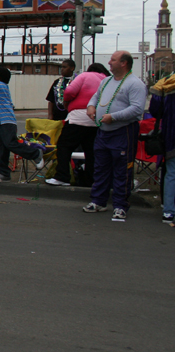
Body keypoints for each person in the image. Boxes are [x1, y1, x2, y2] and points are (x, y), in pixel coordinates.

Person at [83, 51, 147, 221]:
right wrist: (91, 107)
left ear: (124, 63)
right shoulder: (106, 81)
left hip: (122, 132)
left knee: (122, 170)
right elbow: (95, 98)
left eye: (113, 60)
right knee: (100, 168)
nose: (109, 63)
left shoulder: (135, 84)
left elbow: (137, 109)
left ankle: (120, 205)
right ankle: (98, 201)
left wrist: (114, 117)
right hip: (103, 132)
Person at [45, 63, 109, 187]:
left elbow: (69, 91)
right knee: (91, 151)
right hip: (96, 119)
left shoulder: (84, 76)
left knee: (64, 146)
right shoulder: (106, 80)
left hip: (78, 117)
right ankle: (91, 179)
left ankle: (62, 177)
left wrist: (66, 103)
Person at [0, 66, 45, 183]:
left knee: (10, 143)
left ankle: (35, 153)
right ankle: (3, 173)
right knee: (1, 148)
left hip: (5, 120)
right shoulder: (3, 87)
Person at [149, 73, 175, 223]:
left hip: (171, 135)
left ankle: (169, 211)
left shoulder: (165, 83)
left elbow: (154, 110)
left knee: (171, 173)